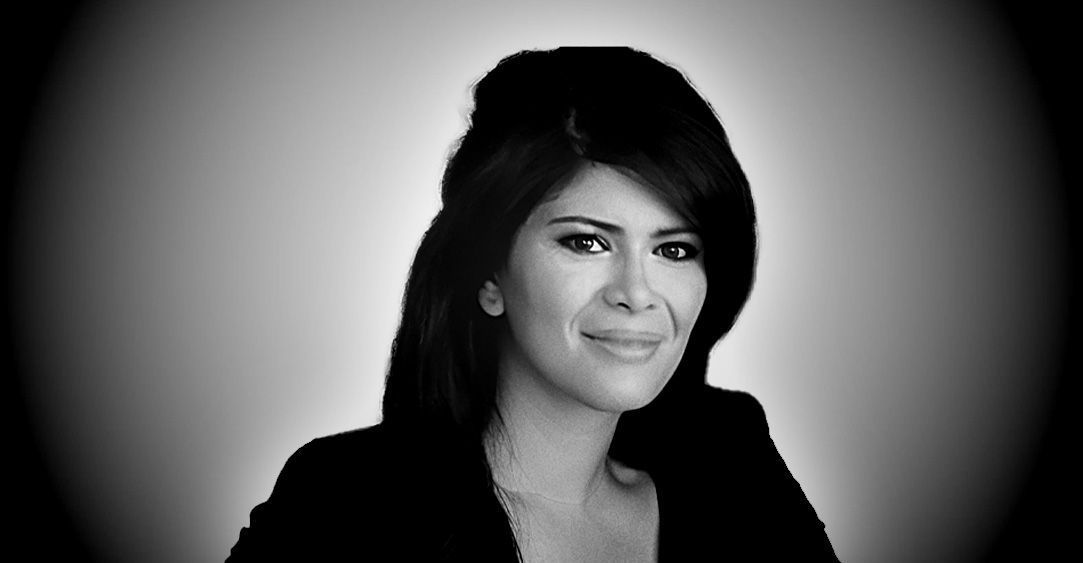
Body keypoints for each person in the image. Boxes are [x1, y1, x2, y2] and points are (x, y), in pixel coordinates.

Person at [227, 47, 840, 561]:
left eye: (675, 250)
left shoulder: (734, 469)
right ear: (489, 273)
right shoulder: (345, 503)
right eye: (586, 241)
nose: (636, 293)